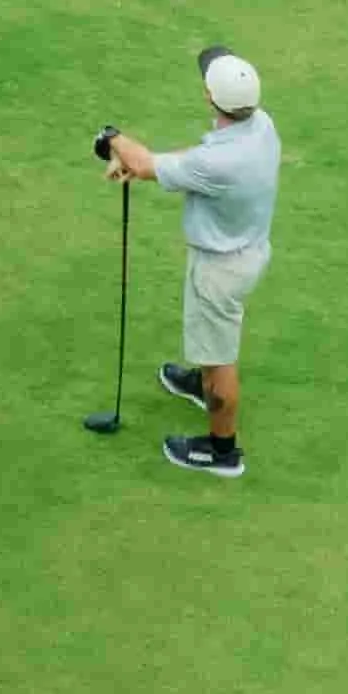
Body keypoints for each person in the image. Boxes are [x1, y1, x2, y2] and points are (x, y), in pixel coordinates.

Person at [102, 45, 280, 477]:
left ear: (209, 96)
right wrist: (145, 162)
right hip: (245, 250)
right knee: (208, 345)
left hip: (222, 269)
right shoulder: (261, 126)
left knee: (220, 357)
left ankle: (222, 450)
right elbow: (194, 163)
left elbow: (145, 165)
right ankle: (202, 385)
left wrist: (111, 139)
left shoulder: (217, 162)